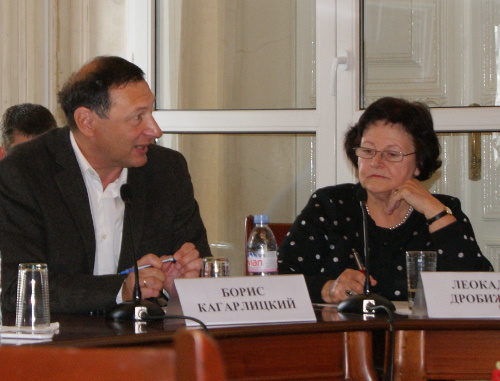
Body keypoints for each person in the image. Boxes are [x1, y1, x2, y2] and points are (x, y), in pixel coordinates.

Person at [0, 56, 211, 314]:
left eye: (151, 112)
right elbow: (20, 290)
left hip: (147, 346)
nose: (155, 130)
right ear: (87, 122)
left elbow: (199, 264)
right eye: (137, 118)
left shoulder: (167, 170)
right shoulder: (23, 172)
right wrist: (121, 289)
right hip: (59, 347)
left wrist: (180, 286)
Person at [278, 97, 493, 304]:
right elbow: (278, 278)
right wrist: (327, 289)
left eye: (392, 154)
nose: (376, 162)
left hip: (423, 339)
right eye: (368, 151)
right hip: (343, 339)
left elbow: (481, 292)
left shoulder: (443, 210)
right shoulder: (331, 205)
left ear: (419, 163)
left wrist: (434, 210)